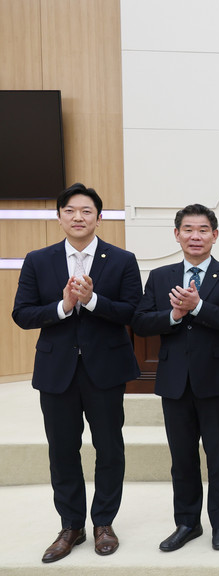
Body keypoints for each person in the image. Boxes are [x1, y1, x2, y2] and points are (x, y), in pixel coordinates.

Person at [12, 183, 141, 563]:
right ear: (59, 217)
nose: (78, 217)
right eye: (70, 210)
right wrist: (65, 305)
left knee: (109, 448)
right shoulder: (38, 260)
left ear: (99, 218)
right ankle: (71, 526)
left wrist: (93, 300)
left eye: (86, 211)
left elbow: (133, 312)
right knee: (62, 450)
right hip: (57, 371)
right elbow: (22, 314)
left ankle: (104, 522)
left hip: (106, 370)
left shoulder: (122, 260)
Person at [132, 204, 219, 552]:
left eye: (202, 230)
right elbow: (141, 322)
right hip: (174, 381)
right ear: (176, 235)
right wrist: (173, 314)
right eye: (188, 229)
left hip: (217, 380)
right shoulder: (160, 276)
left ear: (215, 235)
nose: (195, 236)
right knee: (182, 458)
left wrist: (198, 307)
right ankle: (187, 523)